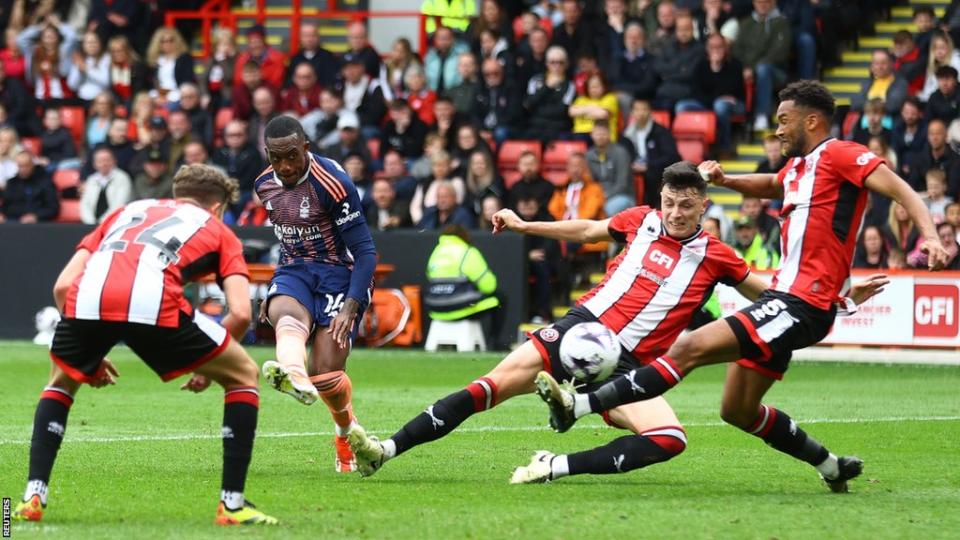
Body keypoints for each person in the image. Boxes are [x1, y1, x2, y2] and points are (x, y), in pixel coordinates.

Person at [345, 161, 887, 483]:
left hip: (628, 367)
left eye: (687, 206)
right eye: (670, 203)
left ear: (703, 208)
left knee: (670, 438)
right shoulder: (638, 222)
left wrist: (839, 297)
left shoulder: (719, 256)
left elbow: (774, 296)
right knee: (489, 386)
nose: (675, 213)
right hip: (580, 328)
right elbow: (584, 230)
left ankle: (554, 464)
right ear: (661, 201)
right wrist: (525, 225)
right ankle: (384, 450)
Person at [531, 81, 949, 493]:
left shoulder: (840, 154)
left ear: (813, 120)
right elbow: (772, 184)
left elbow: (900, 189)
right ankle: (831, 466)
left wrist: (929, 234)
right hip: (792, 300)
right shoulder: (799, 168)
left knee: (688, 348)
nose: (779, 130)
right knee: (738, 410)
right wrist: (728, 180)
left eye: (785, 121)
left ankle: (578, 406)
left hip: (798, 302)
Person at [10, 164, 277, 525]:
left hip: (88, 298)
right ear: (217, 208)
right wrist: (211, 365)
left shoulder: (127, 211)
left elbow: (62, 286)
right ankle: (232, 505)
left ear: (175, 196)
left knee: (60, 382)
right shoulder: (219, 230)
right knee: (244, 374)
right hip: (155, 302)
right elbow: (242, 312)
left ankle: (31, 497)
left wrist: (91, 351)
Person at [254, 116, 377, 473]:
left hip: (340, 274)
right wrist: (278, 286)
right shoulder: (263, 184)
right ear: (268, 155)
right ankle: (293, 374)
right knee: (284, 313)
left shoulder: (333, 183)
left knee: (326, 373)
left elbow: (366, 251)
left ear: (306, 148)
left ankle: (344, 432)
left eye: (292, 156)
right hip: (295, 269)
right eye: (277, 159)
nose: (285, 166)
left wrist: (351, 306)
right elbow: (287, 237)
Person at [731, 0, 791, 130]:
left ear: (773, 3)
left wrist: (753, 69)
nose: (762, 5)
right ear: (753, 3)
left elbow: (779, 52)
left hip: (776, 71)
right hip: (748, 69)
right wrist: (746, 68)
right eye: (759, 2)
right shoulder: (745, 23)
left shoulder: (781, 23)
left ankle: (762, 114)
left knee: (763, 69)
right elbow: (737, 50)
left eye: (766, 2)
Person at [423, 224, 498, 324]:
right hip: (459, 309)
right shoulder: (468, 251)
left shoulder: (436, 251)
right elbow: (489, 286)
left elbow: (429, 277)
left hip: (435, 308)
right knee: (500, 299)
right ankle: (494, 339)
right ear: (464, 236)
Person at [622, 98, 681, 208]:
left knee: (652, 176)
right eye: (637, 110)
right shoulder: (627, 135)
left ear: (650, 112)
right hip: (634, 170)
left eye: (644, 109)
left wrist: (648, 166)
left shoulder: (661, 132)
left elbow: (671, 156)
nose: (640, 113)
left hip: (657, 171)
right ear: (632, 113)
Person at [586, 121, 633, 216]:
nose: (600, 137)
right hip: (596, 196)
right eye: (597, 134)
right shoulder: (589, 155)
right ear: (592, 135)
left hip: (621, 196)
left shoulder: (621, 153)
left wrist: (604, 196)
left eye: (603, 133)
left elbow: (622, 184)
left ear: (609, 134)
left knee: (605, 210)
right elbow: (589, 180)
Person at [0, 151, 59, 223]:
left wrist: (36, 216)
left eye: (26, 166)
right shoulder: (12, 183)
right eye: (20, 166)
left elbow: (52, 208)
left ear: (32, 165)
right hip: (13, 221)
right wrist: (2, 214)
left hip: (38, 223)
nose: (23, 169)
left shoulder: (45, 182)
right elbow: (6, 205)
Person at [80, 147, 132, 224]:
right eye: (100, 161)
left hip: (115, 223)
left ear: (114, 161)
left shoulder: (122, 178)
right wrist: (90, 223)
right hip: (91, 225)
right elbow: (85, 205)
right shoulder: (91, 179)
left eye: (107, 160)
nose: (104, 164)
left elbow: (119, 205)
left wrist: (101, 223)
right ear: (94, 164)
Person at [285, 23, 339, 90]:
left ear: (318, 37)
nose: (309, 39)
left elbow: (331, 81)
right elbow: (289, 83)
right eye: (306, 36)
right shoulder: (295, 59)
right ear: (300, 38)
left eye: (313, 35)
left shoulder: (328, 57)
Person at [232, 25, 286, 92]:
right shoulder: (242, 60)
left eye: (257, 42)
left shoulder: (277, 59)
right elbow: (238, 82)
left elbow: (276, 83)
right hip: (247, 95)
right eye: (251, 42)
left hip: (270, 96)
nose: (255, 45)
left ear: (264, 41)